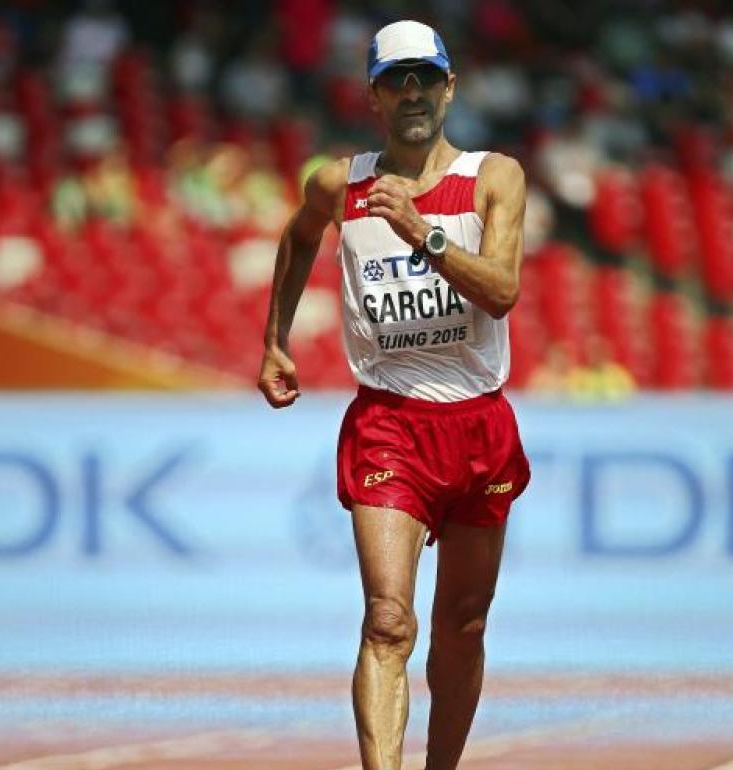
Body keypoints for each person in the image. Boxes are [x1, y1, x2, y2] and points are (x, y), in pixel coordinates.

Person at [256, 20, 529, 770]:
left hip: (479, 425)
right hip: (390, 423)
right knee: (387, 621)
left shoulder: (494, 177)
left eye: (425, 78)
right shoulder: (338, 184)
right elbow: (297, 236)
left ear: (450, 86)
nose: (412, 93)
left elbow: (502, 292)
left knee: (464, 623)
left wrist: (424, 233)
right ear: (373, 95)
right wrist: (275, 337)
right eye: (395, 80)